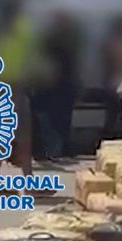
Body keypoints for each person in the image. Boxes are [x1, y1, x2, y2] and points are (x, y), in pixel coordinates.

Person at [0, 0, 38, 191]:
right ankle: (22, 183)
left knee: (10, 135)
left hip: (7, 85)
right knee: (16, 135)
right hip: (7, 84)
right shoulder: (9, 28)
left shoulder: (1, 28)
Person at [35, 11, 81, 159]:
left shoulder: (55, 47)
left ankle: (54, 149)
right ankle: (60, 149)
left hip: (55, 89)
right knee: (59, 121)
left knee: (54, 121)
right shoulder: (66, 46)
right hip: (58, 89)